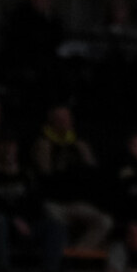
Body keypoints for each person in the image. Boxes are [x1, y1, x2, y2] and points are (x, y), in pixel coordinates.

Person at [0, 136, 67, 272]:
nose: (8, 149)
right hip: (3, 227)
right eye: (4, 145)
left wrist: (26, 221)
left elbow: (36, 203)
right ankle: (2, 271)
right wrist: (14, 219)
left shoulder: (27, 174)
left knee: (55, 225)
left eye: (12, 145)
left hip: (26, 226)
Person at [32, 105, 112, 248]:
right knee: (54, 222)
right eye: (59, 119)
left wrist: (84, 153)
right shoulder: (43, 143)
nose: (63, 122)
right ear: (51, 122)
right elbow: (45, 175)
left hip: (78, 203)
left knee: (105, 221)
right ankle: (60, 257)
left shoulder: (80, 145)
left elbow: (93, 174)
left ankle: (77, 253)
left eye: (66, 118)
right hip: (55, 203)